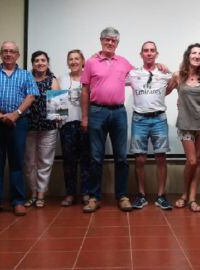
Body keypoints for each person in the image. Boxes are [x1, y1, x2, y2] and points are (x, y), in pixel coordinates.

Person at [0, 41, 39, 217]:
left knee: (17, 163)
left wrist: (16, 114)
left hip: (18, 123)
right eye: (5, 51)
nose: (8, 54)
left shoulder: (26, 75)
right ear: (1, 54)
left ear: (18, 55)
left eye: (12, 51)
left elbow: (31, 95)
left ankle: (18, 202)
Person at [80, 27, 134, 212]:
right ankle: (94, 197)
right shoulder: (91, 62)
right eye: (107, 40)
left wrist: (158, 67)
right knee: (96, 158)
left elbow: (141, 76)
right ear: (101, 40)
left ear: (117, 43)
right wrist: (85, 117)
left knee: (121, 157)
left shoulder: (124, 62)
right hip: (97, 112)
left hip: (118, 113)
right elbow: (85, 90)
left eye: (114, 41)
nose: (110, 43)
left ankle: (122, 196)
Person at [166, 43, 200, 212]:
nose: (197, 56)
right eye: (194, 53)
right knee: (191, 161)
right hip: (185, 124)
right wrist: (160, 72)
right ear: (188, 56)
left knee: (198, 160)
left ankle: (192, 198)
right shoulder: (178, 76)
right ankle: (184, 194)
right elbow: (163, 92)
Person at [127, 41, 173, 210]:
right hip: (139, 120)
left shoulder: (164, 73)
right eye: (145, 51)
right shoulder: (132, 74)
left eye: (152, 50)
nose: (149, 53)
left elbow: (177, 78)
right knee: (139, 159)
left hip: (159, 119)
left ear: (156, 54)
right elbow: (113, 78)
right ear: (141, 54)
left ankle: (161, 196)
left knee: (161, 158)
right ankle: (141, 195)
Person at [23, 51, 60, 208]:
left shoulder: (53, 80)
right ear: (32, 63)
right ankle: (32, 193)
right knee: (29, 162)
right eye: (36, 60)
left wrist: (58, 116)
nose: (40, 63)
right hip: (28, 126)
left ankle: (40, 195)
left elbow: (58, 108)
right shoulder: (25, 79)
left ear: (47, 62)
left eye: (43, 60)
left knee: (45, 162)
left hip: (48, 128)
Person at [58, 49, 90, 206]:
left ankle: (86, 192)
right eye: (71, 59)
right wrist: (58, 118)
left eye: (77, 58)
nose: (74, 61)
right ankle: (70, 193)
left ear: (83, 61)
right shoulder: (62, 79)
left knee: (86, 159)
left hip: (86, 123)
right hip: (67, 124)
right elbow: (56, 106)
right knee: (69, 160)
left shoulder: (90, 78)